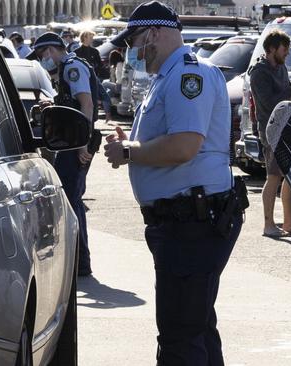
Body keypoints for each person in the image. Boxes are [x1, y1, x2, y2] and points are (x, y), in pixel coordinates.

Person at [104, 2, 247, 364]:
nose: (131, 53)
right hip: (184, 223)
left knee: (180, 339)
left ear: (153, 33)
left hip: (192, 224)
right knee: (195, 328)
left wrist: (129, 153)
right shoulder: (167, 77)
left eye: (134, 41)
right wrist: (130, 148)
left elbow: (184, 145)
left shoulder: (187, 76)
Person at [27, 32, 99, 276]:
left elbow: (86, 104)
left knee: (71, 201)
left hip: (76, 144)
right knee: (70, 199)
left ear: (50, 50)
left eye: (41, 54)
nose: (41, 59)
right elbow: (72, 104)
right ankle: (78, 260)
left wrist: (82, 144)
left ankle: (81, 262)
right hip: (71, 142)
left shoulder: (72, 67)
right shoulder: (66, 69)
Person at [248, 29, 291, 237]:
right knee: (274, 176)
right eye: (284, 49)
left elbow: (285, 93)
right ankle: (269, 225)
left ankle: (289, 222)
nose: (287, 53)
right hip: (270, 129)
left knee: (290, 175)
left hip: (287, 126)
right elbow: (270, 103)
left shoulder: (281, 67)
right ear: (271, 49)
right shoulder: (259, 72)